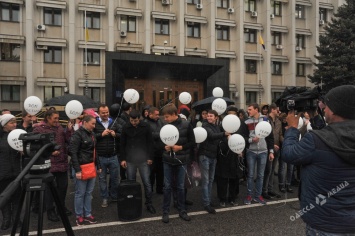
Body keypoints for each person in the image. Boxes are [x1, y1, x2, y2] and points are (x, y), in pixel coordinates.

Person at [282, 85, 355, 235]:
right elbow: (332, 135)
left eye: (326, 106)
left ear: (334, 110)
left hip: (324, 224)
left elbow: (289, 154)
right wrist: (315, 117)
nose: (324, 109)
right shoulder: (324, 138)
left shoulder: (315, 141)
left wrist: (292, 129)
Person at [33, 110, 73, 221]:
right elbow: (35, 147)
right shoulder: (38, 129)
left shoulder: (59, 127)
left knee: (63, 187)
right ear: (47, 118)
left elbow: (66, 140)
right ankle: (50, 211)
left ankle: (61, 207)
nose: (57, 120)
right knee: (49, 189)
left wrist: (69, 131)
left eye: (58, 118)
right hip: (48, 164)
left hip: (62, 163)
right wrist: (50, 152)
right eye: (55, 118)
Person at [161, 104, 195, 223]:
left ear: (174, 114)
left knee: (180, 186)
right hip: (167, 160)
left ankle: (182, 210)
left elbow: (192, 143)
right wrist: (163, 147)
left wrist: (180, 147)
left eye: (167, 117)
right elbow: (160, 142)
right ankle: (165, 212)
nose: (165, 119)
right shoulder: (165, 126)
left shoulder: (186, 124)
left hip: (181, 160)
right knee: (167, 187)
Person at [120, 110, 156, 214]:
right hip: (130, 159)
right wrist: (123, 159)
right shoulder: (125, 127)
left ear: (139, 119)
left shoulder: (145, 126)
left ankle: (149, 203)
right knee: (131, 183)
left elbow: (150, 142)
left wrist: (150, 157)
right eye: (131, 120)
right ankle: (132, 203)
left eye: (135, 121)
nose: (133, 122)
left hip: (143, 159)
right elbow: (122, 144)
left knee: (147, 183)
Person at [70, 115, 101, 226]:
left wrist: (98, 165)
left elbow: (94, 151)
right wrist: (77, 170)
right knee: (80, 193)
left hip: (91, 167)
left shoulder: (91, 134)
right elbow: (73, 153)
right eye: (92, 123)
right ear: (85, 122)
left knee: (88, 193)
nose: (94, 126)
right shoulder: (77, 135)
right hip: (82, 168)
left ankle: (87, 214)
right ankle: (79, 216)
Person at [199, 110, 230, 214]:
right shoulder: (205, 125)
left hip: (213, 156)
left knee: (211, 180)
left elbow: (218, 140)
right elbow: (211, 136)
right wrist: (224, 133)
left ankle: (208, 200)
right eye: (208, 116)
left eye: (211, 116)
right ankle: (206, 203)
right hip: (205, 155)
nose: (209, 117)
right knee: (206, 180)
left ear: (216, 117)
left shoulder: (217, 127)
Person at [244, 103, 274, 205]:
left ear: (256, 110)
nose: (248, 111)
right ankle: (249, 195)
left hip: (263, 151)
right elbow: (243, 138)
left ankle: (258, 196)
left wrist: (271, 151)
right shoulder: (246, 121)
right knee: (251, 175)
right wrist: (252, 140)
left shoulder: (266, 120)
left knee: (261, 175)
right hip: (251, 151)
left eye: (250, 109)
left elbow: (270, 137)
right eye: (248, 109)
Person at [216, 106, 247, 207]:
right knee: (223, 178)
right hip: (224, 154)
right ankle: (222, 198)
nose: (231, 116)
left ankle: (233, 197)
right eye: (229, 114)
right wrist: (226, 138)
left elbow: (245, 137)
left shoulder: (241, 124)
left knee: (235, 177)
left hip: (236, 154)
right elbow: (219, 138)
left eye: (234, 114)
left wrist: (242, 149)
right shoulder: (222, 125)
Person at [94, 105, 122, 208]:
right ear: (99, 113)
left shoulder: (114, 122)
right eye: (103, 113)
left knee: (115, 178)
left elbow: (122, 133)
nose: (105, 114)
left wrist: (116, 135)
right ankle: (104, 198)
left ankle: (114, 196)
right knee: (102, 179)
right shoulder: (95, 123)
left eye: (107, 112)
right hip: (101, 157)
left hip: (113, 156)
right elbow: (91, 137)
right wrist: (101, 135)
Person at [0, 114, 21, 230]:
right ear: (4, 125)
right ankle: (6, 219)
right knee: (5, 198)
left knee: (17, 198)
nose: (15, 124)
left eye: (15, 122)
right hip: (2, 174)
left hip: (17, 173)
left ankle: (16, 219)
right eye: (11, 122)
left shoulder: (18, 136)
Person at [262, 103, 283, 200]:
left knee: (272, 170)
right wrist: (271, 145)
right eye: (277, 110)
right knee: (268, 170)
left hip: (277, 148)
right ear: (273, 110)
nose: (279, 112)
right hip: (268, 148)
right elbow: (264, 135)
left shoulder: (279, 121)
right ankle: (264, 190)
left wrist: (285, 142)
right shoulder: (265, 120)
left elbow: (280, 134)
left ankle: (270, 189)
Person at [143, 106, 164, 194]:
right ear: (150, 114)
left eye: (158, 114)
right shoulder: (145, 123)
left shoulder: (160, 122)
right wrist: (161, 134)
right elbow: (149, 136)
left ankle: (159, 189)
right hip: (151, 153)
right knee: (150, 173)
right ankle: (149, 190)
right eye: (156, 115)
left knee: (160, 173)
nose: (158, 116)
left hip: (161, 151)